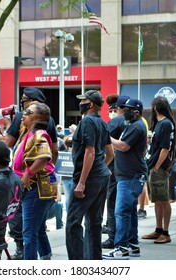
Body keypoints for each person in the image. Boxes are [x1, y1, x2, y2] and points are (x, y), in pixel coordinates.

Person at [5, 87, 59, 260]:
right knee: (36, 228)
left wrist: (27, 174)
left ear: (36, 118)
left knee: (29, 233)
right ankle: (46, 257)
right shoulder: (28, 133)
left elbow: (45, 156)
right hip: (35, 189)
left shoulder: (38, 134)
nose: (23, 114)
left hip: (35, 189)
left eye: (28, 112)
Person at [66, 90, 114, 260]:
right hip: (101, 177)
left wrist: (82, 182)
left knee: (73, 223)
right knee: (94, 223)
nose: (81, 103)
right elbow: (110, 153)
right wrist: (103, 168)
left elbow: (90, 152)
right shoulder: (102, 123)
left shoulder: (86, 122)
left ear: (91, 104)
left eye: (84, 100)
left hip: (90, 179)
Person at [102, 98, 148, 260]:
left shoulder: (137, 126)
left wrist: (105, 136)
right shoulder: (132, 125)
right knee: (129, 212)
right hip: (129, 176)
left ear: (137, 112)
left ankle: (121, 248)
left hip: (130, 176)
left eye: (128, 109)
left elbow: (123, 146)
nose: (123, 111)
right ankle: (132, 245)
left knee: (121, 212)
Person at [143, 96, 176, 244]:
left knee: (163, 199)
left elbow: (165, 148)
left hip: (159, 167)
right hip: (154, 166)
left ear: (156, 107)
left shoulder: (165, 124)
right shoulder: (160, 123)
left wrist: (157, 166)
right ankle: (158, 230)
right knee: (157, 200)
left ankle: (166, 232)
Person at [101, 94, 127, 249]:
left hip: (115, 168)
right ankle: (126, 237)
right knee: (125, 207)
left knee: (112, 204)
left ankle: (113, 237)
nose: (111, 111)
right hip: (128, 169)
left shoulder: (116, 122)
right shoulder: (138, 122)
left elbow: (103, 141)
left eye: (113, 108)